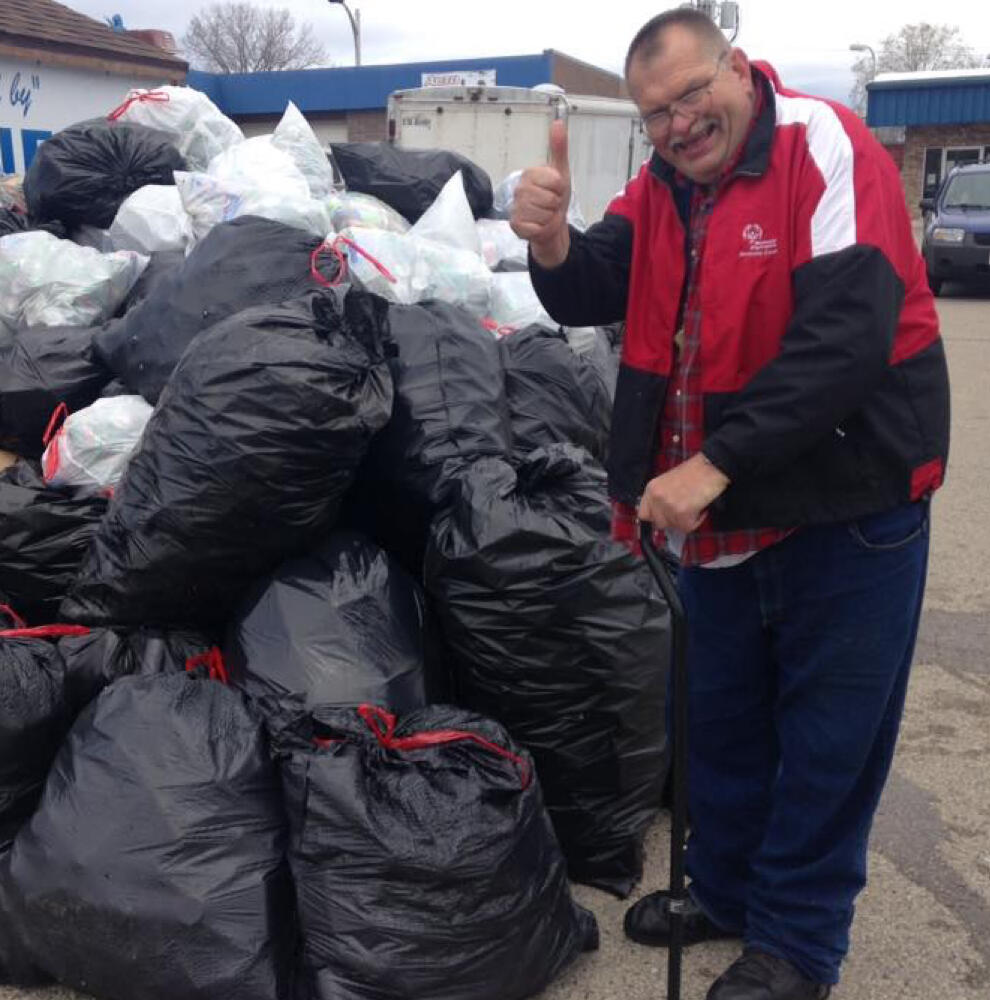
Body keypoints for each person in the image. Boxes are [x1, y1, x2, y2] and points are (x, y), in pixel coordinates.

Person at [510, 8, 950, 1000]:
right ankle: (728, 888)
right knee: (723, 722)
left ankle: (796, 945)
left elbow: (848, 334)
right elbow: (592, 286)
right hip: (724, 514)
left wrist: (709, 466)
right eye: (656, 112)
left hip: (849, 502)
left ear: (738, 69)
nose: (678, 124)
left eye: (691, 93)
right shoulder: (660, 188)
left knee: (828, 740)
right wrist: (548, 243)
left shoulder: (823, 146)